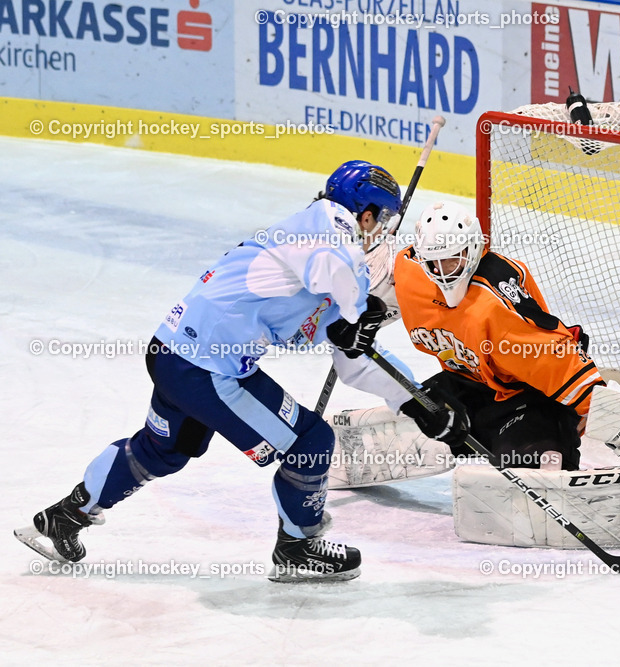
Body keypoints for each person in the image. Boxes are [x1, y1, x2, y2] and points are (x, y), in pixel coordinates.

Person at [15, 161, 465, 582]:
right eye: (381, 219)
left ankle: (63, 518)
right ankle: (297, 548)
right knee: (310, 442)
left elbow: (353, 357)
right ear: (364, 214)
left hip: (174, 353)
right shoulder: (327, 226)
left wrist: (416, 401)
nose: (381, 230)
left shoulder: (316, 251)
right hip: (207, 368)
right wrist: (361, 306)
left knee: (163, 450)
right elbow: (337, 267)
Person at [391, 200, 603, 472]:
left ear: (473, 247)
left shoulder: (495, 303)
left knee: (537, 464)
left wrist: (600, 409)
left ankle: (545, 448)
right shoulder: (409, 270)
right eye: (435, 261)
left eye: (453, 257)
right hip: (467, 388)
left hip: (525, 399)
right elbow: (371, 294)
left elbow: (551, 356)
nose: (443, 270)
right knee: (413, 419)